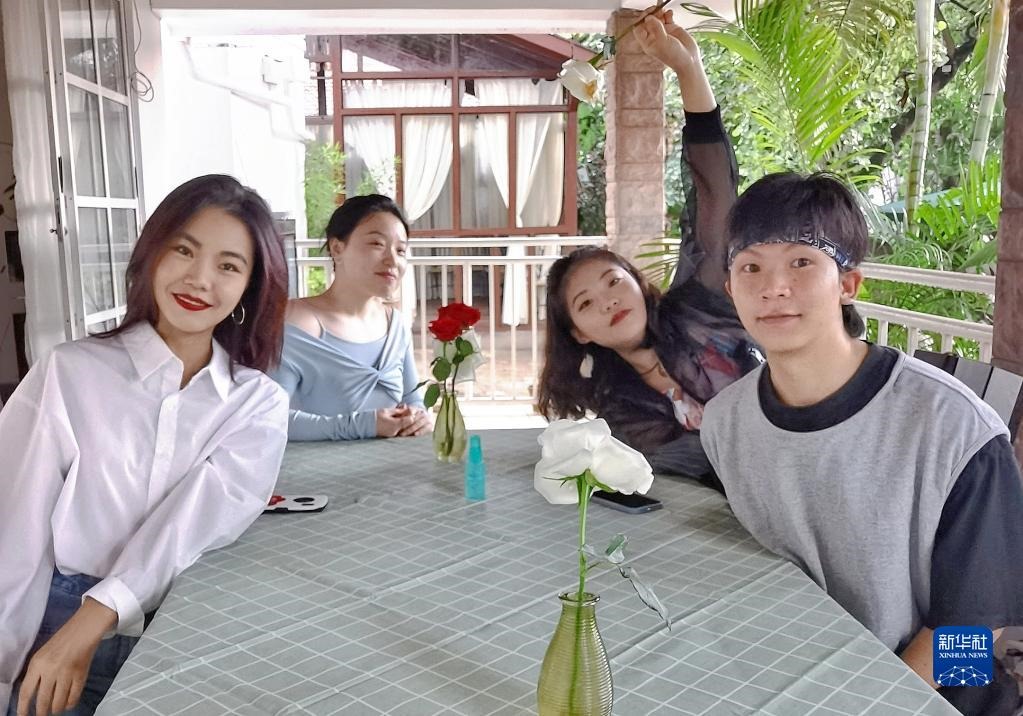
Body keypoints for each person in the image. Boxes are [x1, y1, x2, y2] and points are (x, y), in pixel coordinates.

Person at [701, 171, 1023, 715]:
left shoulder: (957, 429)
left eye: (801, 262)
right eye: (750, 267)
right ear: (731, 289)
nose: (773, 287)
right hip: (797, 672)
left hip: (935, 695)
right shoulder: (724, 423)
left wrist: (879, 702)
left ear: (848, 284)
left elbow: (977, 630)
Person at [0, 174, 291, 716]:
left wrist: (92, 622)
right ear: (152, 254)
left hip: (190, 628)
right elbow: (15, 530)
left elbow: (189, 526)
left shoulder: (256, 404)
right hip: (54, 620)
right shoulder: (70, 372)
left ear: (250, 288)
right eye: (184, 250)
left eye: (229, 266)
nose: (200, 279)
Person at [536, 10, 760, 479]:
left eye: (613, 281)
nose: (608, 301)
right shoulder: (614, 403)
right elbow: (674, 472)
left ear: (637, 283)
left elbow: (715, 196)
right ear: (578, 333)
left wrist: (688, 70)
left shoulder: (699, 309)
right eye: (585, 303)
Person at [273, 194, 430, 441]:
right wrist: (361, 425)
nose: (392, 260)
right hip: (316, 466)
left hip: (392, 463)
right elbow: (269, 418)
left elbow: (413, 401)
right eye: (377, 244)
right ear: (337, 248)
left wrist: (419, 419)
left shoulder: (395, 324)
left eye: (401, 250)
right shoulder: (297, 323)